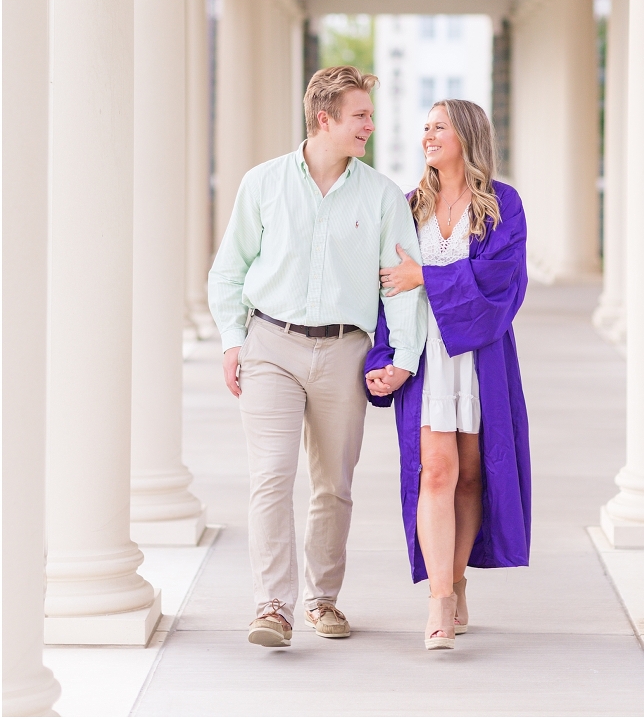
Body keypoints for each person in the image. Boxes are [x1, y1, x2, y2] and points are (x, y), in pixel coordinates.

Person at [208, 66, 426, 648]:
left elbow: (399, 283)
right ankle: (273, 605)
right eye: (360, 116)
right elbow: (229, 271)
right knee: (272, 477)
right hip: (270, 346)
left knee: (334, 485)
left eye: (370, 116)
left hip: (345, 352)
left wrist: (404, 355)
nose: (370, 127)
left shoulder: (380, 195)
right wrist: (234, 340)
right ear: (324, 119)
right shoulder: (262, 184)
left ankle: (322, 598)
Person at [365, 99, 530, 650]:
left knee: (470, 475)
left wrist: (425, 276)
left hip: (479, 356)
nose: (428, 136)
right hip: (427, 355)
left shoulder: (502, 205)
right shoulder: (410, 206)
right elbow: (386, 288)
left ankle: (457, 578)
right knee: (436, 471)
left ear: (467, 135)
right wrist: (383, 357)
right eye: (425, 128)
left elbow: (501, 283)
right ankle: (439, 599)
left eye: (439, 127)